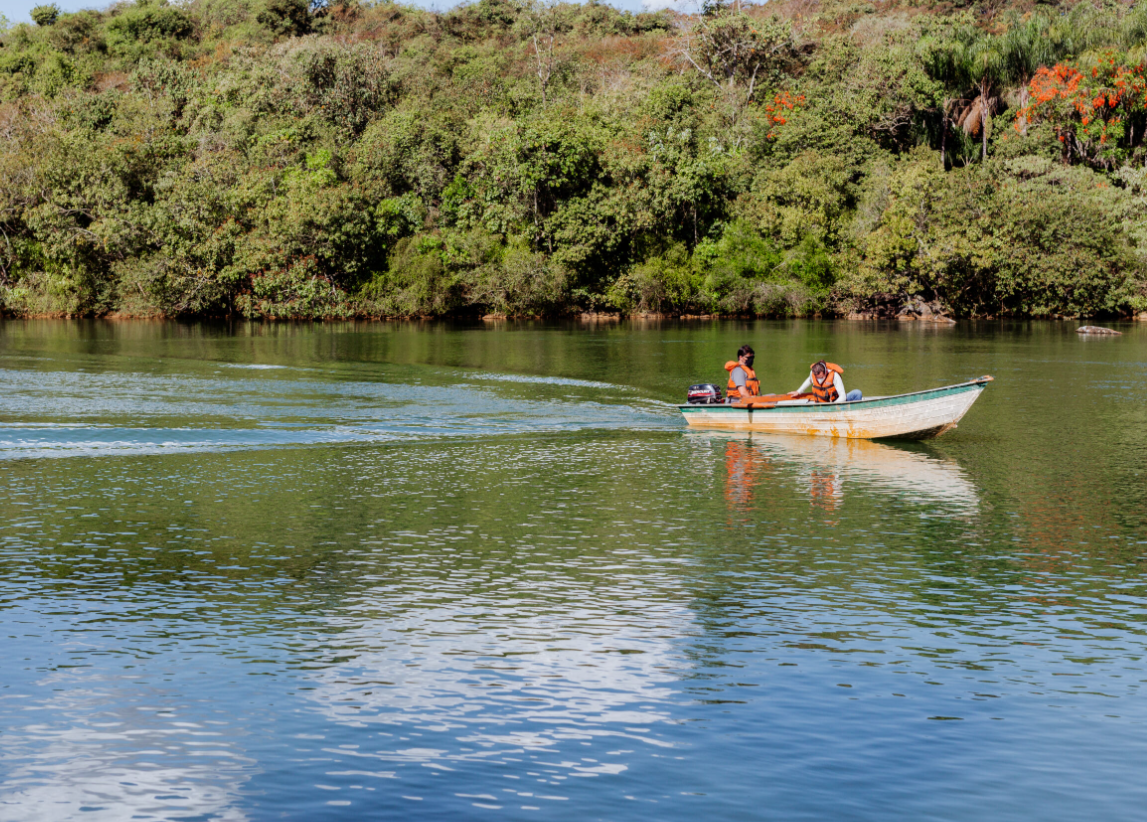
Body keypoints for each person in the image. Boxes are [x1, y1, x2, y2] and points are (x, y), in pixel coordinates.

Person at [794, 361, 862, 403]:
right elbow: (809, 380)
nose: (819, 380)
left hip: (835, 402)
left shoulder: (835, 376)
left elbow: (843, 396)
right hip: (820, 403)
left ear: (826, 372)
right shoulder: (813, 373)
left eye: (821, 377)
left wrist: (832, 406)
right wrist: (799, 391)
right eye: (817, 378)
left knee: (857, 393)